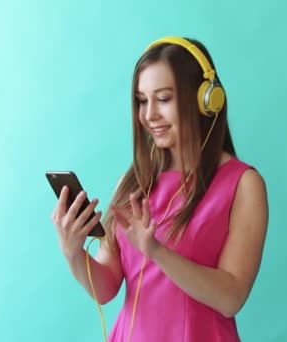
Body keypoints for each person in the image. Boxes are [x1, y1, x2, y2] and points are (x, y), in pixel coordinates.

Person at [51, 36, 269, 342]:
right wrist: (72, 252)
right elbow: (107, 286)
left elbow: (230, 297)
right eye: (142, 100)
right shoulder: (135, 180)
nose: (149, 114)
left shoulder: (243, 184)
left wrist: (156, 252)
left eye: (163, 98)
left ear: (205, 99)